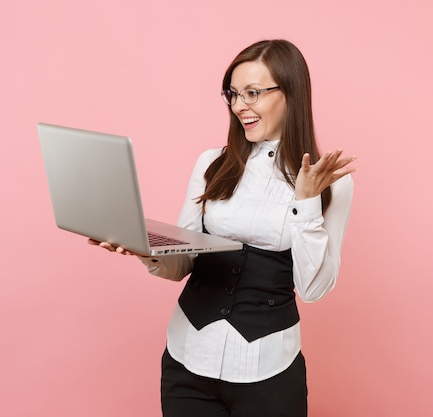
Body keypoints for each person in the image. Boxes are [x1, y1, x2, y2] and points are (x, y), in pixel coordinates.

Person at [90, 39, 355, 417]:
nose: (239, 105)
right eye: (232, 94)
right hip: (187, 359)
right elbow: (182, 263)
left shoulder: (332, 182)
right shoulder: (211, 163)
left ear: (291, 93)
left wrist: (307, 200)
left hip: (269, 371)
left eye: (253, 93)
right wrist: (146, 250)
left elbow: (313, 289)